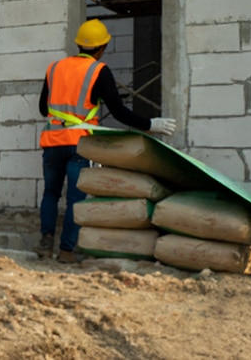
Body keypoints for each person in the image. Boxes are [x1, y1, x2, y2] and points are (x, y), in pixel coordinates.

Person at [36, 19, 176, 263]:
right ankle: (66, 251)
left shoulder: (54, 68)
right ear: (101, 48)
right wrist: (151, 124)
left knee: (50, 193)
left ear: (79, 44)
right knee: (76, 199)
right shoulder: (99, 71)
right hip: (80, 144)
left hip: (52, 141)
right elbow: (120, 112)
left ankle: (45, 243)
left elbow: (42, 108)